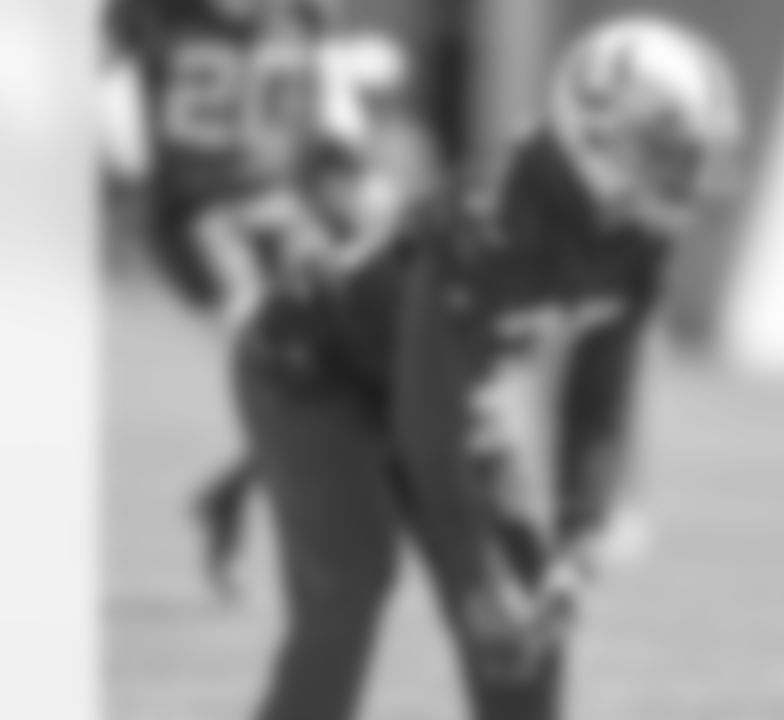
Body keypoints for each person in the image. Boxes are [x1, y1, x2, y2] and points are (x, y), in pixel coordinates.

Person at [234, 14, 743, 720]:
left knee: (529, 596)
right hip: (312, 366)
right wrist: (474, 579)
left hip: (435, 378)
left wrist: (578, 537)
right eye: (665, 153)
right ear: (594, 133)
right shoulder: (491, 219)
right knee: (352, 586)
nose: (685, 177)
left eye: (690, 155)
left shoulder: (639, 238)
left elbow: (599, 389)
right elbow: (425, 426)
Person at [100, 0, 434, 591]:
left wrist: (357, 175)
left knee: (348, 374)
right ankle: (243, 508)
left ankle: (228, 497)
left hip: (280, 210)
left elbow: (332, 110)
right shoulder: (156, 13)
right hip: (197, 215)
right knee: (279, 365)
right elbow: (104, 90)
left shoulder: (303, 15)